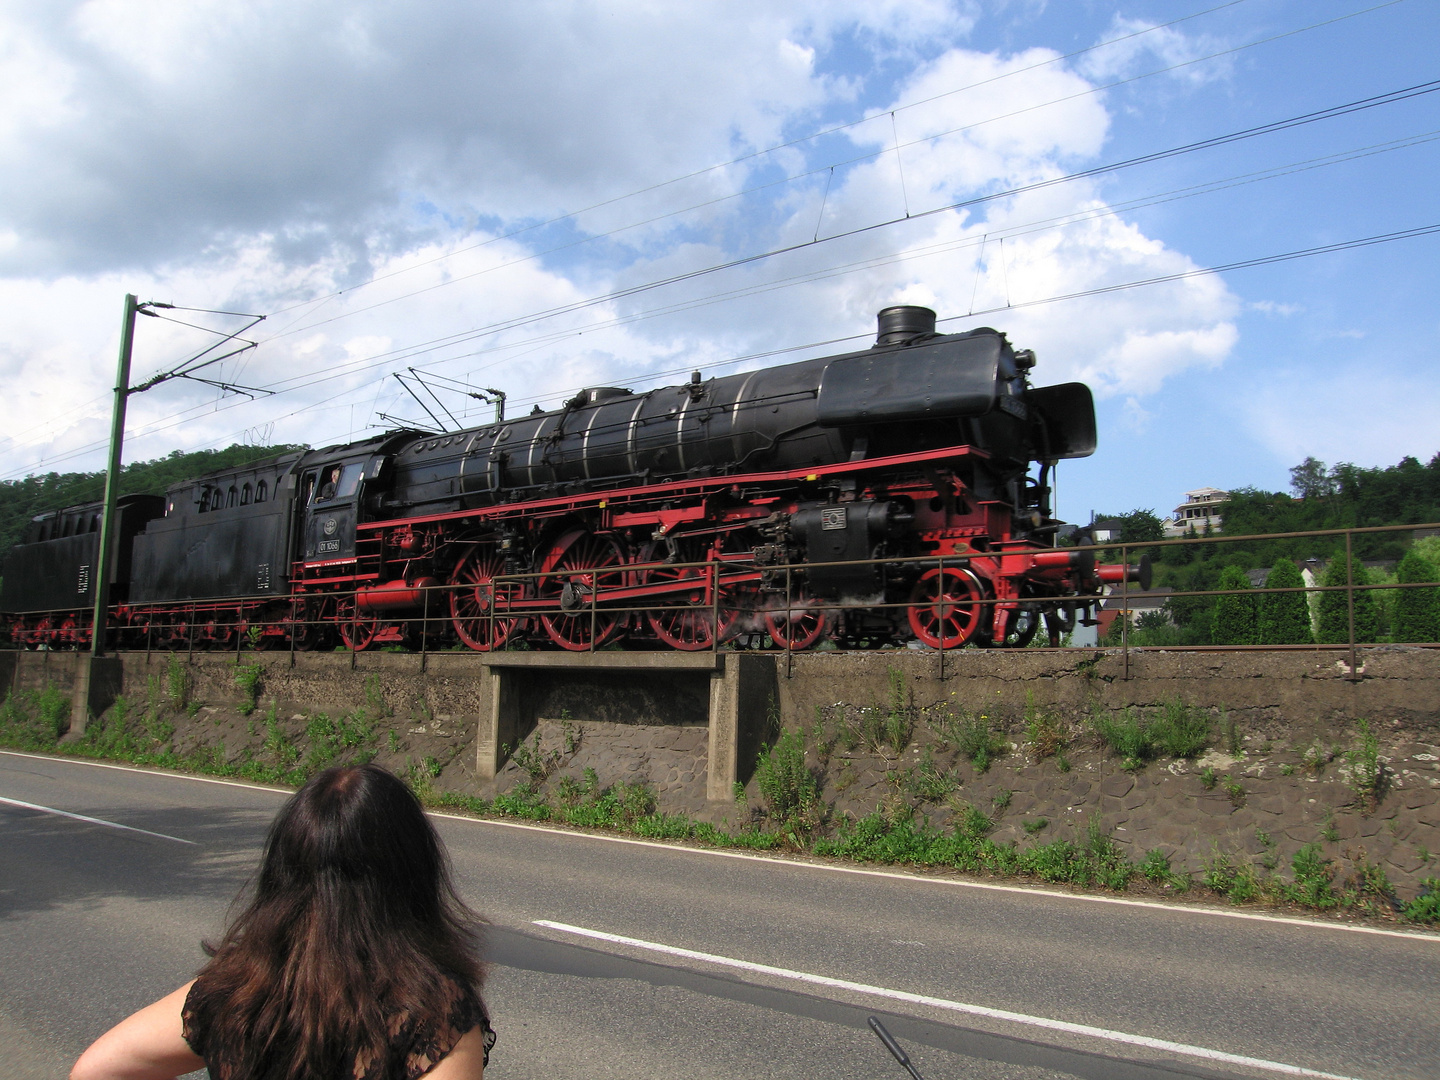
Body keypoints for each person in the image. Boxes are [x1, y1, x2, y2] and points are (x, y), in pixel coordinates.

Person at [71, 765, 494, 1080]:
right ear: (415, 871)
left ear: (283, 868)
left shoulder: (235, 987)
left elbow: (97, 1070)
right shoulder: (433, 1015)